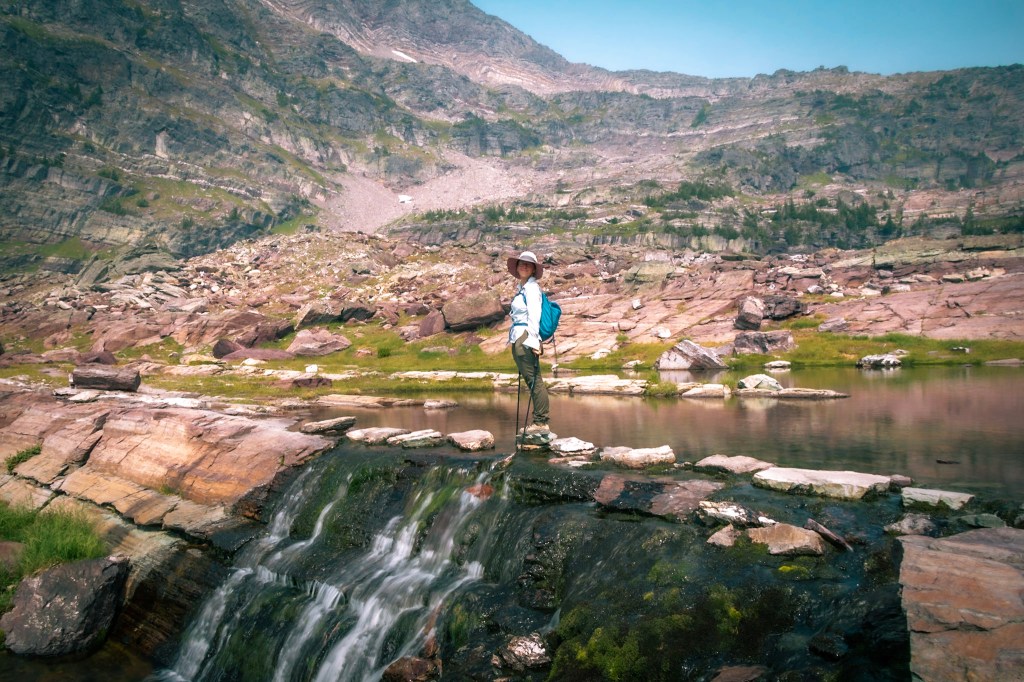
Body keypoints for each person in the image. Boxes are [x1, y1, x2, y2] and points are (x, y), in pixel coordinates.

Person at [506, 250, 550, 435]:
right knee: (532, 379)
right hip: (519, 336)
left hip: (525, 337)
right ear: (516, 267)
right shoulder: (523, 288)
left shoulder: (532, 289)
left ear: (533, 270)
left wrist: (534, 341)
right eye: (521, 263)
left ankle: (541, 422)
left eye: (528, 264)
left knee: (534, 380)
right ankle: (539, 420)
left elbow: (534, 316)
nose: (523, 266)